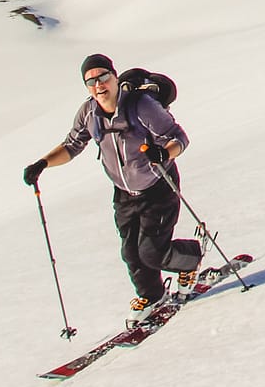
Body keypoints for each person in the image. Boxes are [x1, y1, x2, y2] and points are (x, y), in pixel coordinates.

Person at [23, 54, 203, 320]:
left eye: (103, 77)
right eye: (91, 81)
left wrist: (164, 154)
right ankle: (153, 297)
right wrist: (42, 164)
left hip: (157, 186)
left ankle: (190, 259)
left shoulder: (141, 106)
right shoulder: (89, 113)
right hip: (124, 193)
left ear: (115, 77)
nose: (99, 85)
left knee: (152, 252)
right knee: (131, 253)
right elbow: (72, 145)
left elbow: (179, 137)